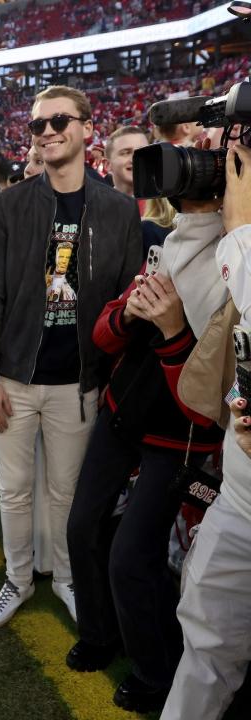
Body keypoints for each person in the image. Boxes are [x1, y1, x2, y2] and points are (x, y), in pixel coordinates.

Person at [0, 85, 142, 629]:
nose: (46, 131)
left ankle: (67, 579)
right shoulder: (9, 206)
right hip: (13, 377)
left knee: (68, 493)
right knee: (15, 493)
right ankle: (18, 579)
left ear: (88, 127)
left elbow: (126, 305)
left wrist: (109, 378)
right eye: (37, 125)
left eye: (59, 120)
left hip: (80, 383)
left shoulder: (118, 211)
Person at [65, 262, 222, 712]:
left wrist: (173, 332)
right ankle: (99, 633)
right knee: (82, 527)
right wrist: (131, 313)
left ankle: (156, 669)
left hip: (180, 440)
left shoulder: (237, 272)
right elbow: (102, 334)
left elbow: (204, 407)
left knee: (131, 556)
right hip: (123, 413)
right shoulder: (178, 249)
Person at [161, 142, 251, 720]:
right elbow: (206, 309)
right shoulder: (238, 237)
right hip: (241, 490)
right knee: (205, 641)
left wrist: (241, 230)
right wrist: (202, 211)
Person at [105, 125, 149, 203]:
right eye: (126, 153)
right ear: (108, 165)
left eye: (142, 151)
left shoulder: (170, 206)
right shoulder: (96, 208)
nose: (135, 158)